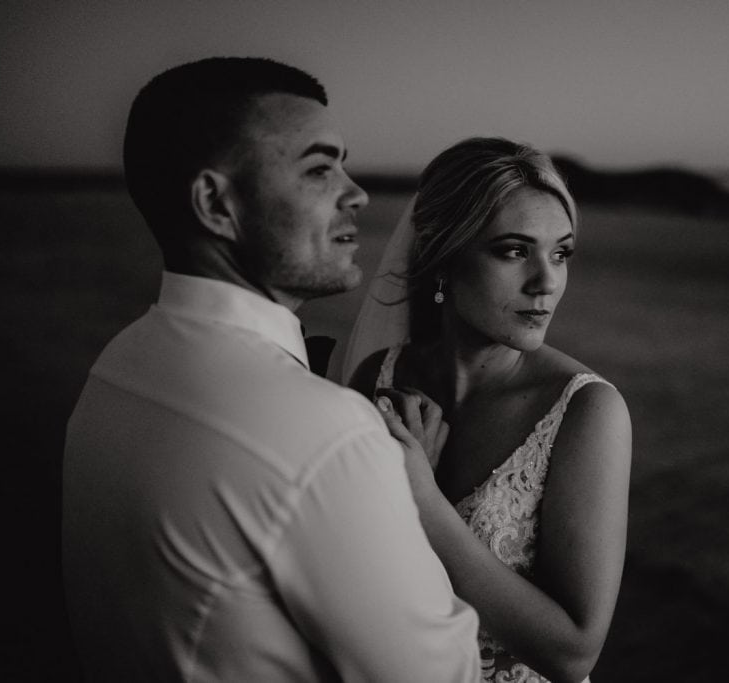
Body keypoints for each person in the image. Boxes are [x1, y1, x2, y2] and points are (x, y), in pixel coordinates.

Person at [62, 57, 481, 682]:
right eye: (319, 168)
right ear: (215, 203)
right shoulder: (327, 434)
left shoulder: (118, 364)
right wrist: (404, 502)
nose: (356, 192)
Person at [345, 137, 633, 683]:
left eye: (561, 253)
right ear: (442, 259)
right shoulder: (378, 380)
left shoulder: (586, 412)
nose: (546, 282)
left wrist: (423, 504)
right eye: (514, 251)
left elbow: (574, 653)